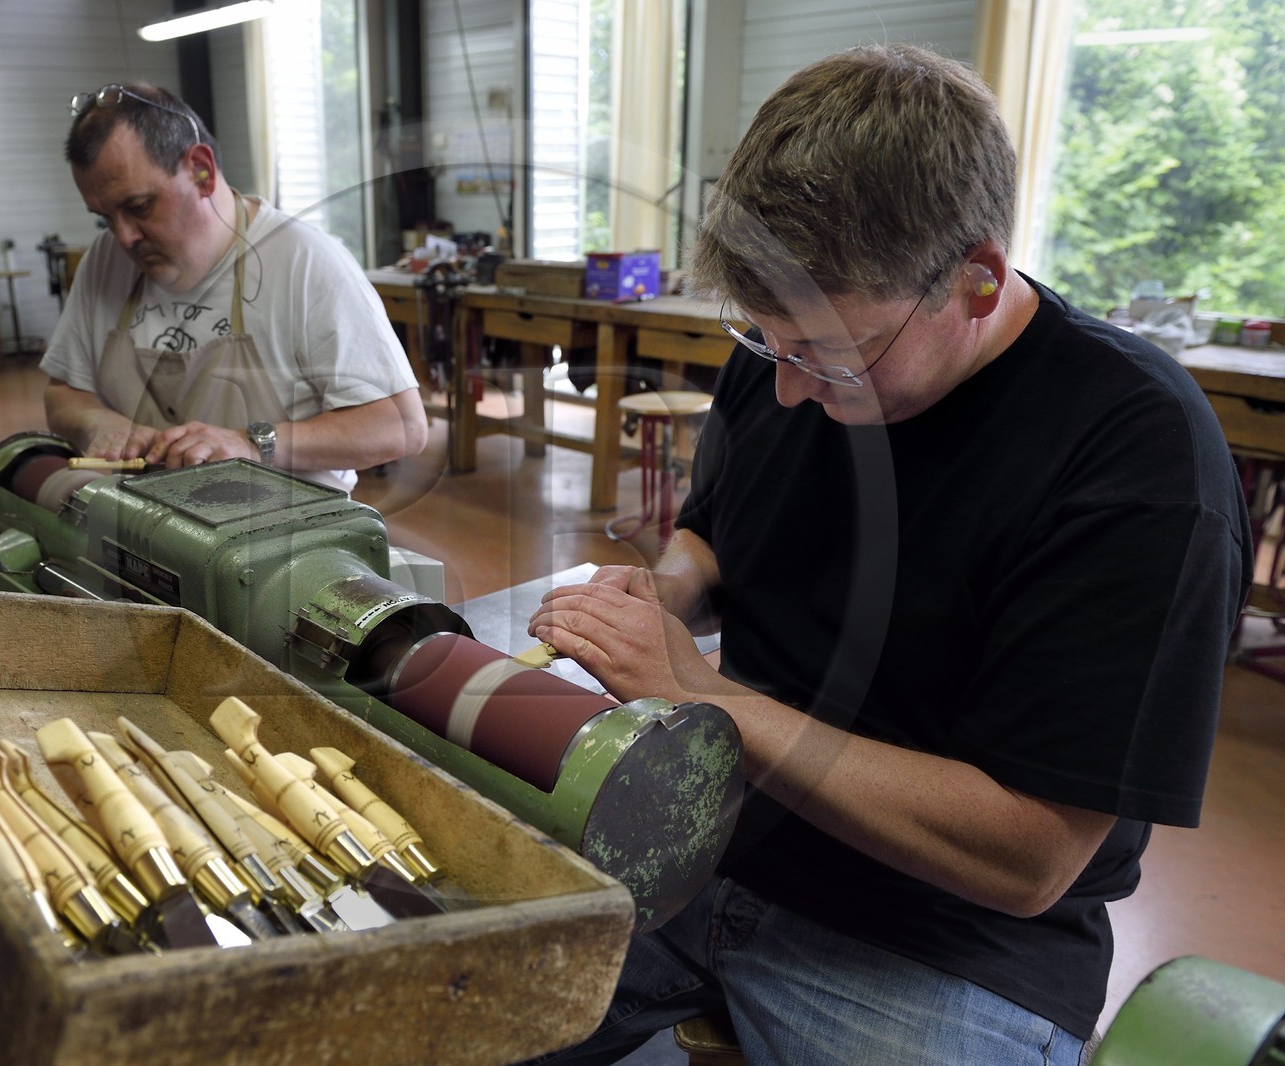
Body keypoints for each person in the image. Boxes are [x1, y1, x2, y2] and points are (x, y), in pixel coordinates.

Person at [527, 45, 1250, 1065]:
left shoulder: (1136, 456)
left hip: (939, 941)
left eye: (832, 355)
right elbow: (716, 538)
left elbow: (1029, 854)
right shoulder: (793, 350)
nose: (788, 388)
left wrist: (704, 692)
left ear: (976, 280)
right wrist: (661, 596)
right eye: (766, 341)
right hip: (709, 839)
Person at [41, 83, 426, 493]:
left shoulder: (304, 261)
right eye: (104, 217)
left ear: (201, 171)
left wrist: (252, 443)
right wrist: (100, 423)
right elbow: (63, 393)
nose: (124, 237)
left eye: (139, 206)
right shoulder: (104, 260)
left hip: (288, 525)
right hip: (148, 519)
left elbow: (400, 426)